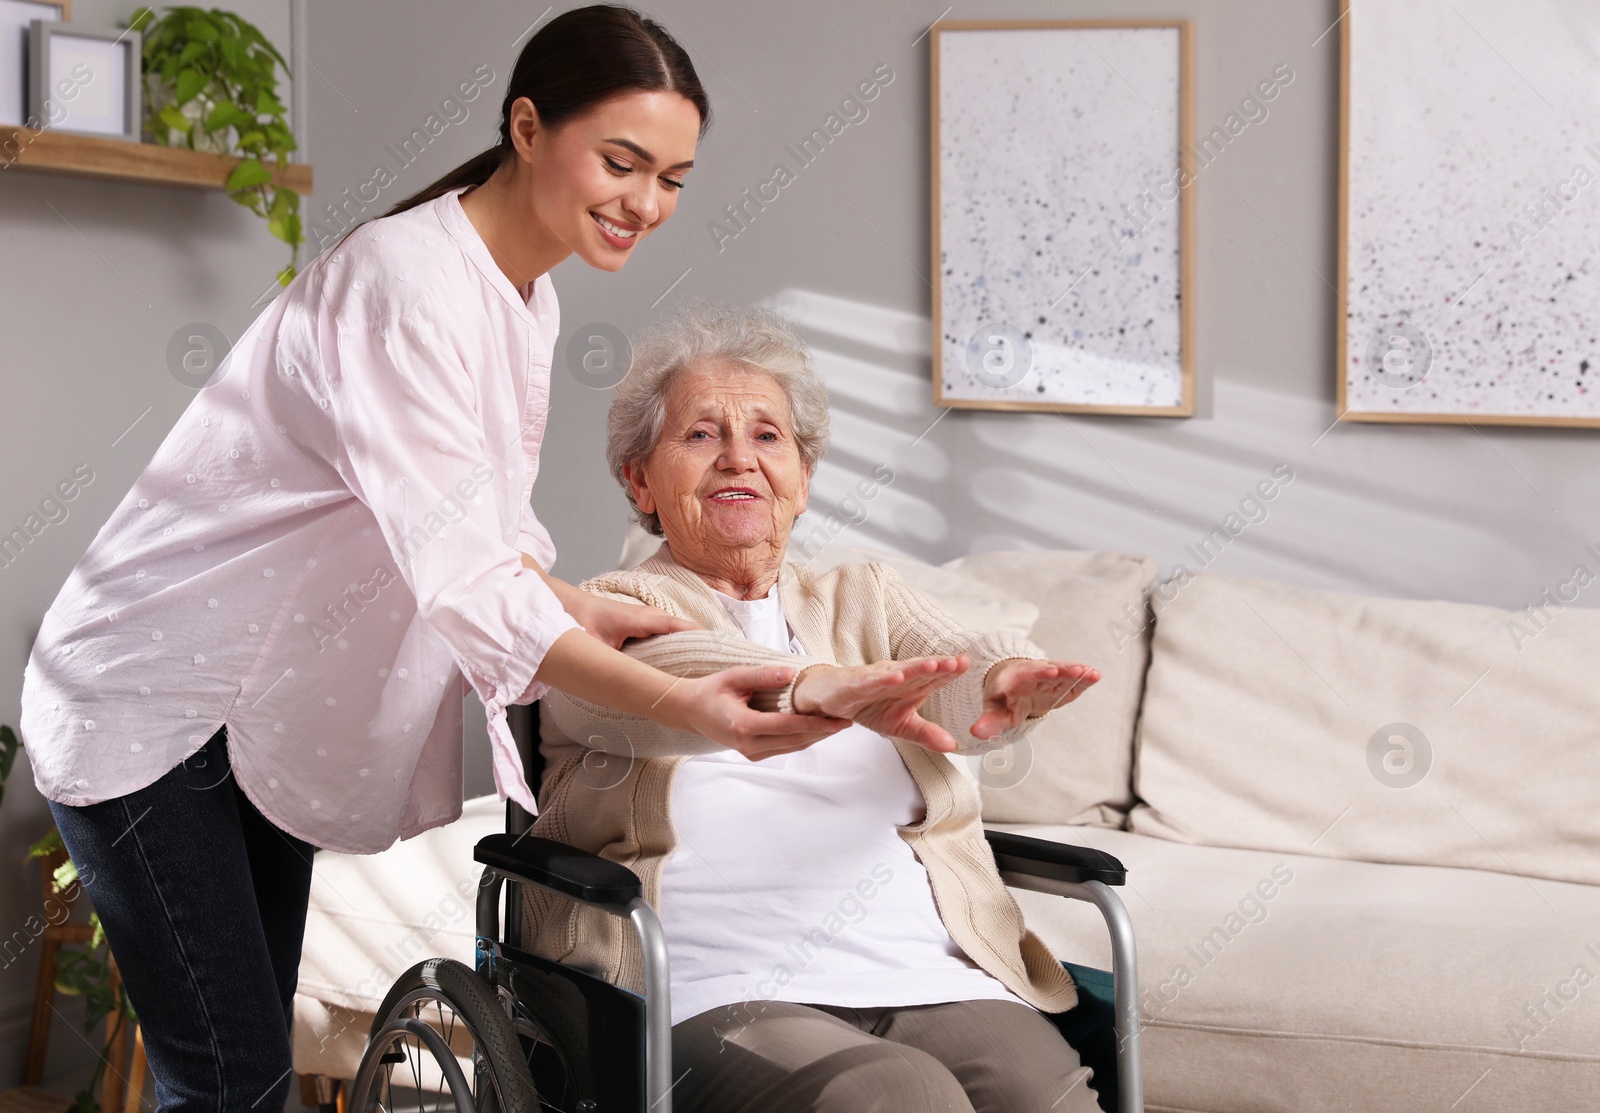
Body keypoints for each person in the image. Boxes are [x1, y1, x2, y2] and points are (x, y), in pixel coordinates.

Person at [18, 10, 850, 1111]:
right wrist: (692, 708)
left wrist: (568, 607)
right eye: (621, 161)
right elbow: (464, 577)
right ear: (525, 126)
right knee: (229, 1082)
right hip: (154, 700)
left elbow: (473, 524)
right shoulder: (402, 281)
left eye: (675, 179)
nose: (645, 202)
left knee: (243, 1067)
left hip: (263, 703)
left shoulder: (523, 294)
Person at [523, 301, 1107, 1113]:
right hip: (714, 980)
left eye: (768, 436)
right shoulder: (603, 610)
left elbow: (950, 659)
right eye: (700, 435)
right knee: (894, 1097)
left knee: (1047, 1096)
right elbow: (668, 669)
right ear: (640, 478)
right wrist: (807, 684)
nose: (739, 459)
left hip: (923, 968)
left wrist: (1005, 675)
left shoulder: (861, 594)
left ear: (803, 479)